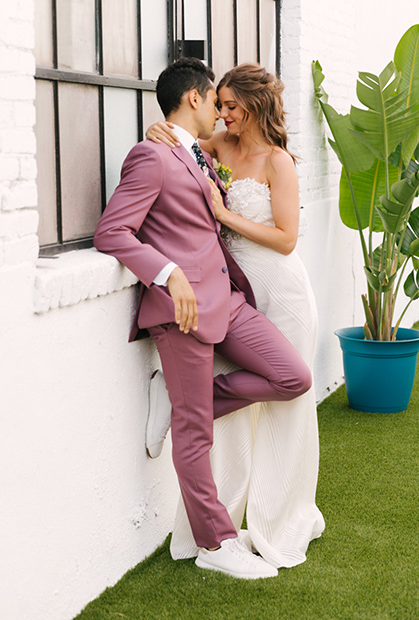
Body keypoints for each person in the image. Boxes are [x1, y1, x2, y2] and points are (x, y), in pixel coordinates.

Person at [93, 57, 313, 580]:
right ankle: (216, 543)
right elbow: (112, 232)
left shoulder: (197, 151)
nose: (221, 108)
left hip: (232, 298)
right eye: (216, 98)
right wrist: (168, 274)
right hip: (184, 309)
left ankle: (176, 401)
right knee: (197, 435)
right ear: (194, 98)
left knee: (294, 376)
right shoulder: (153, 155)